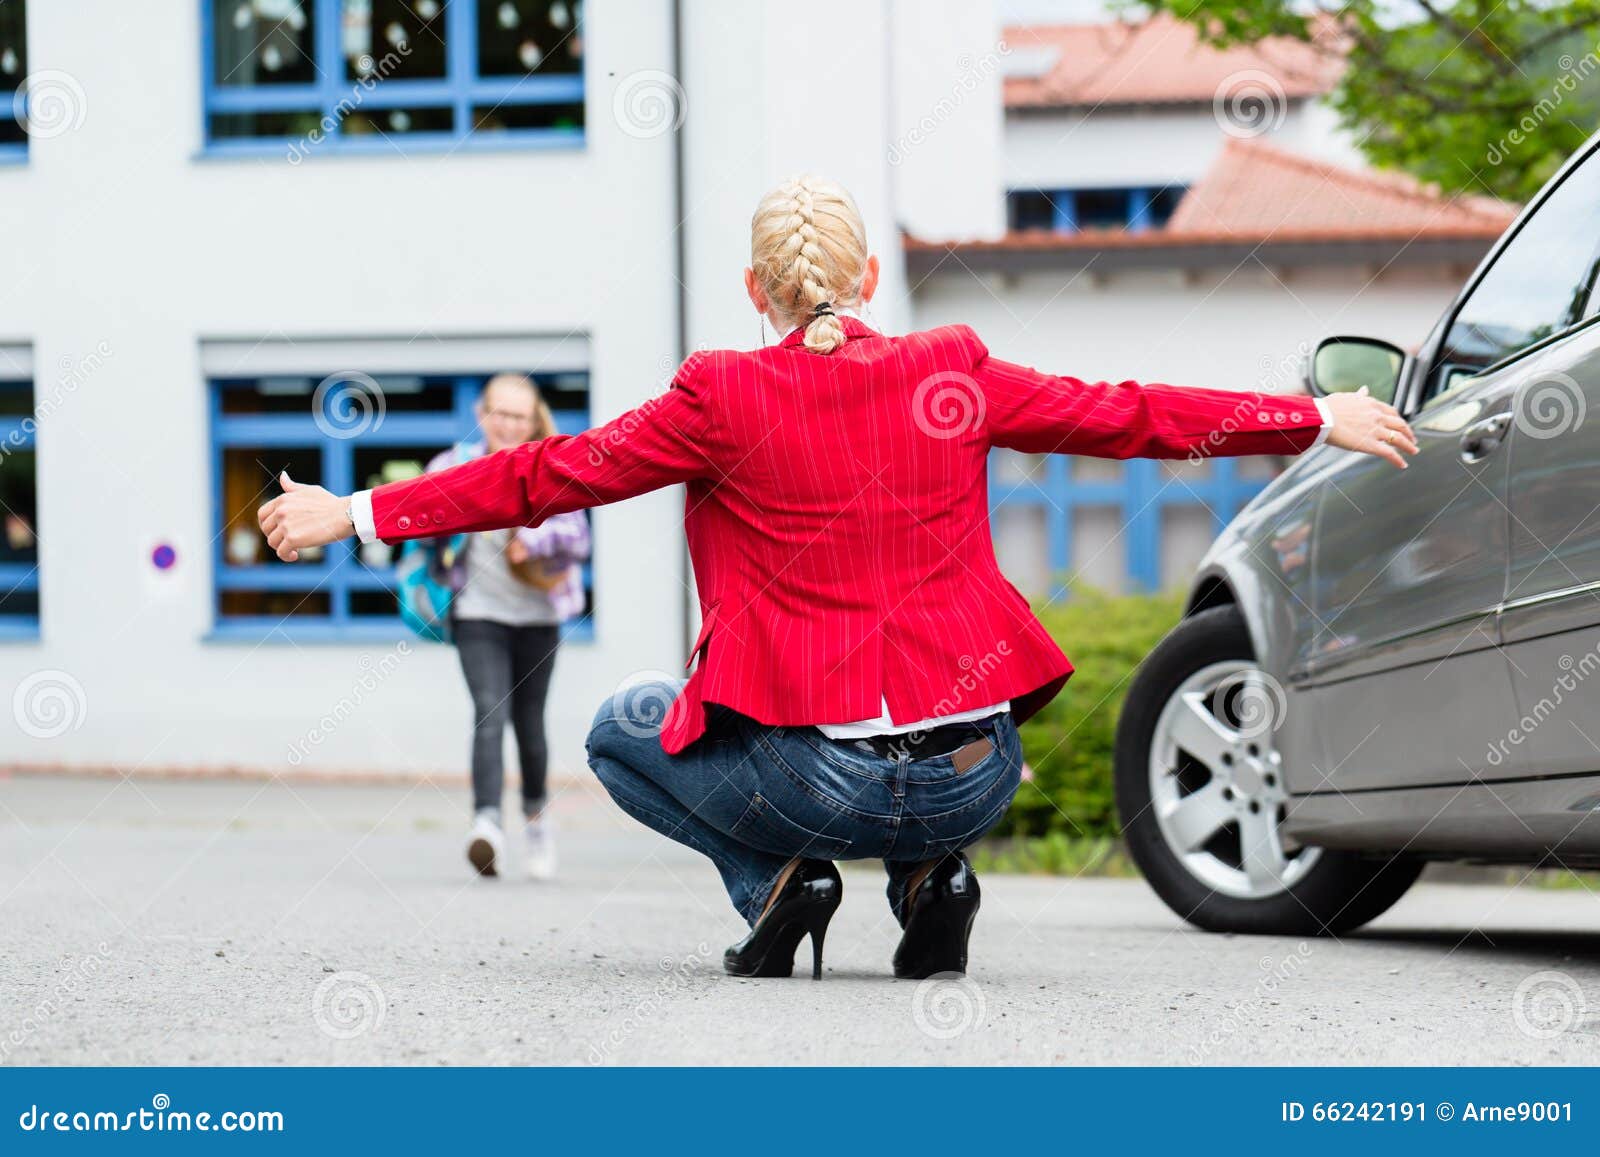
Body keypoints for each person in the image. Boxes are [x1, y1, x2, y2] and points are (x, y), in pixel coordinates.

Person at [259, 175, 1416, 981]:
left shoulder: (717, 394)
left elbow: (551, 475)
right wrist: (1310, 412)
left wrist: (359, 507)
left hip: (815, 784)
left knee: (622, 725)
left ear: (754, 289)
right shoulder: (950, 368)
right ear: (866, 272)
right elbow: (1126, 414)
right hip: (979, 771)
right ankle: (929, 885)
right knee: (916, 697)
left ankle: (777, 889)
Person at [435, 374, 590, 880]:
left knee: (530, 724)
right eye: (499, 413)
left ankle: (537, 824)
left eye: (518, 416)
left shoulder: (551, 467)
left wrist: (535, 544)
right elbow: (418, 521)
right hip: (477, 612)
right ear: (482, 413)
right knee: (488, 710)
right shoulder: (451, 466)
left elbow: (578, 538)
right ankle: (486, 826)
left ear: (532, 420)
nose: (507, 423)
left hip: (538, 616)